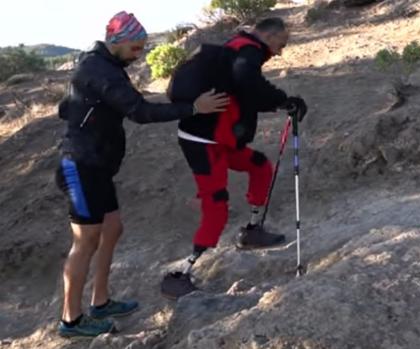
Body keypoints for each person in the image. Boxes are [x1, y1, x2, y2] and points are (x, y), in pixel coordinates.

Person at [55, 11, 229, 337]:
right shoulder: (99, 69)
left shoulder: (104, 66)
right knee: (86, 240)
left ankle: (101, 301)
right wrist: (193, 108)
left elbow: (76, 106)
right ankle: (71, 321)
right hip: (79, 166)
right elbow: (139, 112)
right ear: (118, 42)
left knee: (112, 228)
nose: (140, 55)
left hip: (98, 166)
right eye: (136, 48)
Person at [166, 17, 308, 296]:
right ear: (269, 36)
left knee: (259, 166)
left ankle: (252, 232)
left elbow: (243, 91)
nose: (281, 51)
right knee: (216, 204)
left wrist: (279, 103)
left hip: (222, 138)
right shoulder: (249, 50)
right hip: (203, 142)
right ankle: (181, 273)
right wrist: (283, 99)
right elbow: (247, 81)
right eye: (281, 44)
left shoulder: (237, 47)